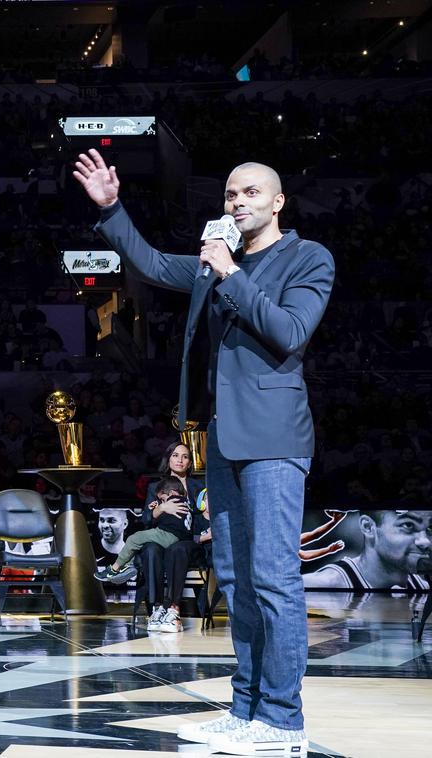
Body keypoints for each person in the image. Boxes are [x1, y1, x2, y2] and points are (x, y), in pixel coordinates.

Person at [74, 149, 334, 754]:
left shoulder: (306, 258)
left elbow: (290, 332)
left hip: (274, 439)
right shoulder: (217, 262)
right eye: (228, 195)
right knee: (237, 580)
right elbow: (151, 261)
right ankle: (246, 708)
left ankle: (283, 722)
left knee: (273, 581)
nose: (236, 202)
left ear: (277, 202)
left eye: (248, 193)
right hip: (223, 439)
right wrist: (112, 207)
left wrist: (230, 274)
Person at [139, 443, 209, 633]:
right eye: (176, 455)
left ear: (190, 462)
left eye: (185, 456)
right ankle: (157, 608)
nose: (180, 460)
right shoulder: (156, 487)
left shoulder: (199, 486)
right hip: (163, 536)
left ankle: (173, 609)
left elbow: (205, 518)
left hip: (190, 541)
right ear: (168, 459)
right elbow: (146, 519)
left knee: (178, 549)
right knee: (151, 549)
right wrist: (161, 508)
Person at [303, 510, 431, 591]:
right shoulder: (319, 585)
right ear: (368, 527)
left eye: (430, 528)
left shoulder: (424, 586)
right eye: (408, 525)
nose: (425, 541)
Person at [95, 478, 191, 585]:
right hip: (179, 538)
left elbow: (155, 520)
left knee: (134, 539)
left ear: (172, 493)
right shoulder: (186, 502)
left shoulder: (173, 500)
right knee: (141, 542)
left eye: (163, 499)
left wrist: (158, 509)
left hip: (168, 534)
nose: (163, 502)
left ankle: (113, 569)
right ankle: (129, 566)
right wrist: (159, 507)